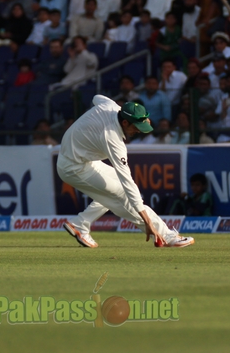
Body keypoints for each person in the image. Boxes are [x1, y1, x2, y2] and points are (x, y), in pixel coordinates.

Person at [57, 97, 195, 248]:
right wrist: (147, 222)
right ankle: (166, 236)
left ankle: (80, 223)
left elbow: (96, 98)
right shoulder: (112, 139)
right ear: (124, 122)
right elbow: (128, 183)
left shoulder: (111, 106)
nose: (138, 131)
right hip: (73, 168)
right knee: (122, 193)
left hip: (81, 159)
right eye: (136, 127)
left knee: (112, 191)